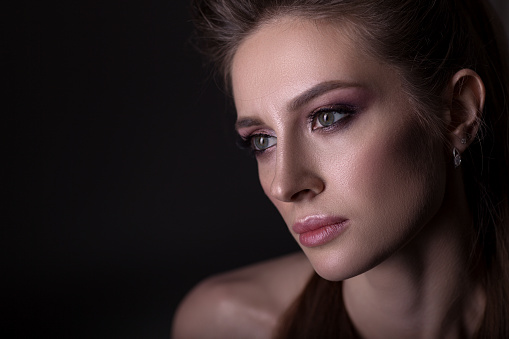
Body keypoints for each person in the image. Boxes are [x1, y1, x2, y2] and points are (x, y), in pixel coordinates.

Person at [172, 0, 509, 338]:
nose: (284, 184)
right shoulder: (224, 325)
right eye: (262, 141)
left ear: (457, 111)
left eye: (328, 116)